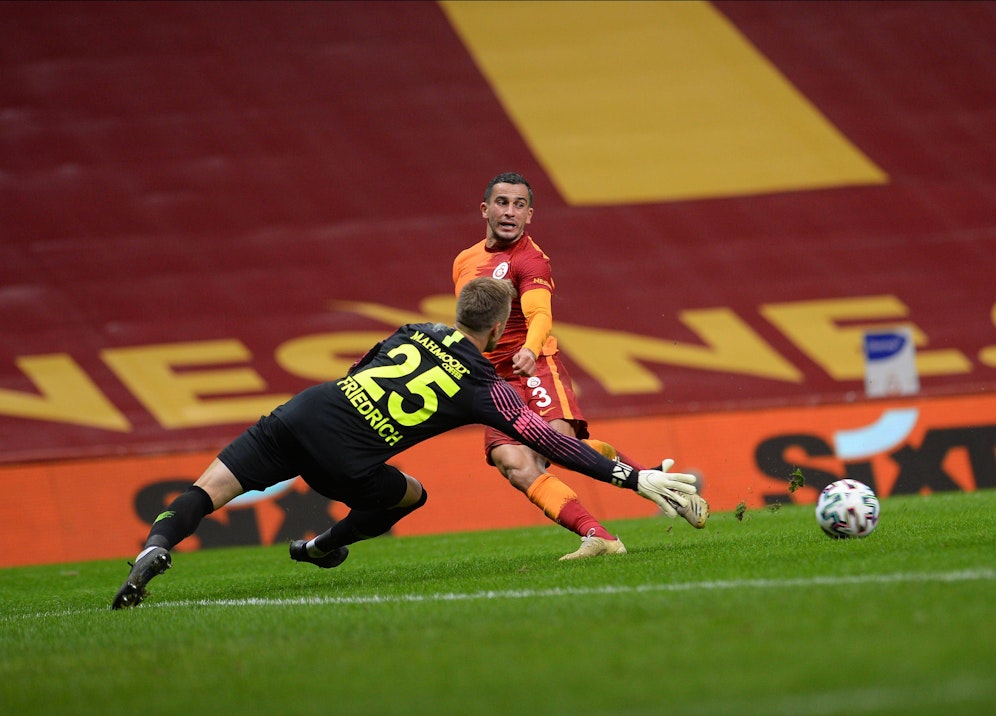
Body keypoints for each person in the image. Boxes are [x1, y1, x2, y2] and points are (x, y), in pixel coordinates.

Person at [111, 277, 701, 609]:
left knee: (207, 489)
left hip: (305, 409)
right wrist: (635, 477)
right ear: (496, 330)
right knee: (409, 495)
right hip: (345, 454)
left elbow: (362, 370)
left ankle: (156, 546)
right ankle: (323, 546)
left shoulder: (413, 330)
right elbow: (546, 438)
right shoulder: (484, 385)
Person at [453, 172, 709, 559]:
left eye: (519, 205)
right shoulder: (464, 262)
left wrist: (529, 348)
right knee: (514, 463)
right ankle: (601, 535)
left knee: (559, 445)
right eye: (502, 203)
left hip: (534, 366)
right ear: (485, 209)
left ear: (530, 215)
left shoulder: (530, 259)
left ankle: (656, 483)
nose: (510, 212)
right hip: (493, 380)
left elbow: (540, 313)